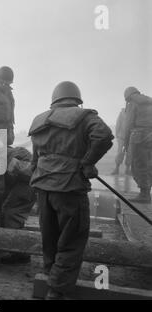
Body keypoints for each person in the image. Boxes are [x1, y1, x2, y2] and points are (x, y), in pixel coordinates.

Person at [29, 81, 113, 299]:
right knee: (71, 240)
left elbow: (34, 158)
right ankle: (57, 290)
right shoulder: (84, 117)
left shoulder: (40, 120)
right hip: (69, 188)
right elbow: (103, 136)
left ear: (55, 99)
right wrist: (87, 162)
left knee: (50, 237)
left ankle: (51, 275)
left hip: (43, 187)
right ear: (76, 98)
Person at [123, 87, 152, 203]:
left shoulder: (132, 104)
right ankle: (147, 192)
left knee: (138, 165)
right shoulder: (149, 101)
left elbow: (128, 124)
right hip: (150, 137)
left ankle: (144, 194)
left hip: (138, 138)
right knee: (149, 165)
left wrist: (125, 142)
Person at [111, 107, 131, 175]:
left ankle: (127, 170)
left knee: (129, 153)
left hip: (130, 137)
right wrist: (117, 134)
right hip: (122, 137)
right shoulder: (122, 113)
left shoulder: (135, 112)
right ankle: (117, 169)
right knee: (120, 152)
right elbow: (118, 123)